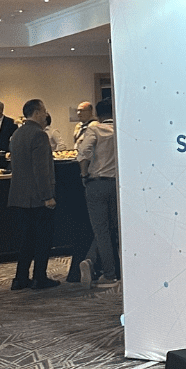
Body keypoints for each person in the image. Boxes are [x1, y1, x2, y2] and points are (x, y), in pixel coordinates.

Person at [8, 99, 58, 290]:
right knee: (43, 239)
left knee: (26, 240)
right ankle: (39, 277)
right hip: (36, 197)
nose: (46, 114)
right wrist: (47, 196)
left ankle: (20, 278)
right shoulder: (39, 135)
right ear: (36, 113)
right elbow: (41, 170)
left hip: (19, 196)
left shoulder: (17, 134)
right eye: (44, 111)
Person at [77, 98, 119, 287]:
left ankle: (109, 274)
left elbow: (84, 152)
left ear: (98, 115)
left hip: (97, 183)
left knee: (101, 230)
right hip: (117, 185)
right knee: (116, 229)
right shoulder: (120, 130)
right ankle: (98, 263)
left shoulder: (94, 129)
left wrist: (84, 174)